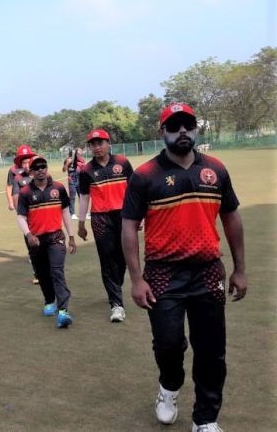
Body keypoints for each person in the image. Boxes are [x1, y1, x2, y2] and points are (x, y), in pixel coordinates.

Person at [121, 103, 246, 432]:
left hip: (208, 271)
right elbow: (129, 227)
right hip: (163, 273)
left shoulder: (216, 170)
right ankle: (168, 388)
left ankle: (205, 419)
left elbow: (231, 216)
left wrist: (239, 268)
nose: (182, 132)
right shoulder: (145, 175)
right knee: (169, 344)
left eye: (187, 126)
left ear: (195, 129)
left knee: (211, 349)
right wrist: (136, 279)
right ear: (162, 132)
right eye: (174, 126)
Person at [77, 129, 134, 323]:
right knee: (107, 260)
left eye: (100, 143)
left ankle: (114, 286)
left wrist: (138, 216)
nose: (97, 147)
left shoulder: (123, 163)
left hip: (124, 216)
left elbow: (134, 191)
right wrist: (82, 223)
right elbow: (84, 197)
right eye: (93, 144)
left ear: (108, 143)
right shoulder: (86, 171)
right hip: (100, 219)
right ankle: (116, 305)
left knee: (124, 257)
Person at [15, 155, 77, 328]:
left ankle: (63, 311)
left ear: (47, 169)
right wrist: (28, 235)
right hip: (35, 240)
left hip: (56, 237)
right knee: (42, 273)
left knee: (57, 271)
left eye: (44, 166)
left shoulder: (58, 188)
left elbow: (66, 212)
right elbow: (20, 216)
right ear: (32, 171)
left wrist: (71, 236)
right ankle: (50, 300)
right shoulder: (26, 192)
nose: (41, 169)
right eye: (37, 167)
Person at [8, 144, 39, 284]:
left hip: (42, 215)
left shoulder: (40, 173)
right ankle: (37, 273)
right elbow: (15, 197)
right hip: (28, 217)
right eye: (24, 162)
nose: (27, 165)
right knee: (32, 246)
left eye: (29, 161)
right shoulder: (17, 179)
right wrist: (21, 214)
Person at [62, 147, 86, 219]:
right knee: (72, 198)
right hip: (72, 181)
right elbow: (63, 170)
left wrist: (82, 167)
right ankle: (72, 214)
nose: (80, 154)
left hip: (80, 181)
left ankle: (83, 213)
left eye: (81, 153)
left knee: (82, 197)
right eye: (79, 153)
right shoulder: (68, 160)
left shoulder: (82, 160)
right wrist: (67, 164)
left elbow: (83, 170)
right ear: (75, 153)